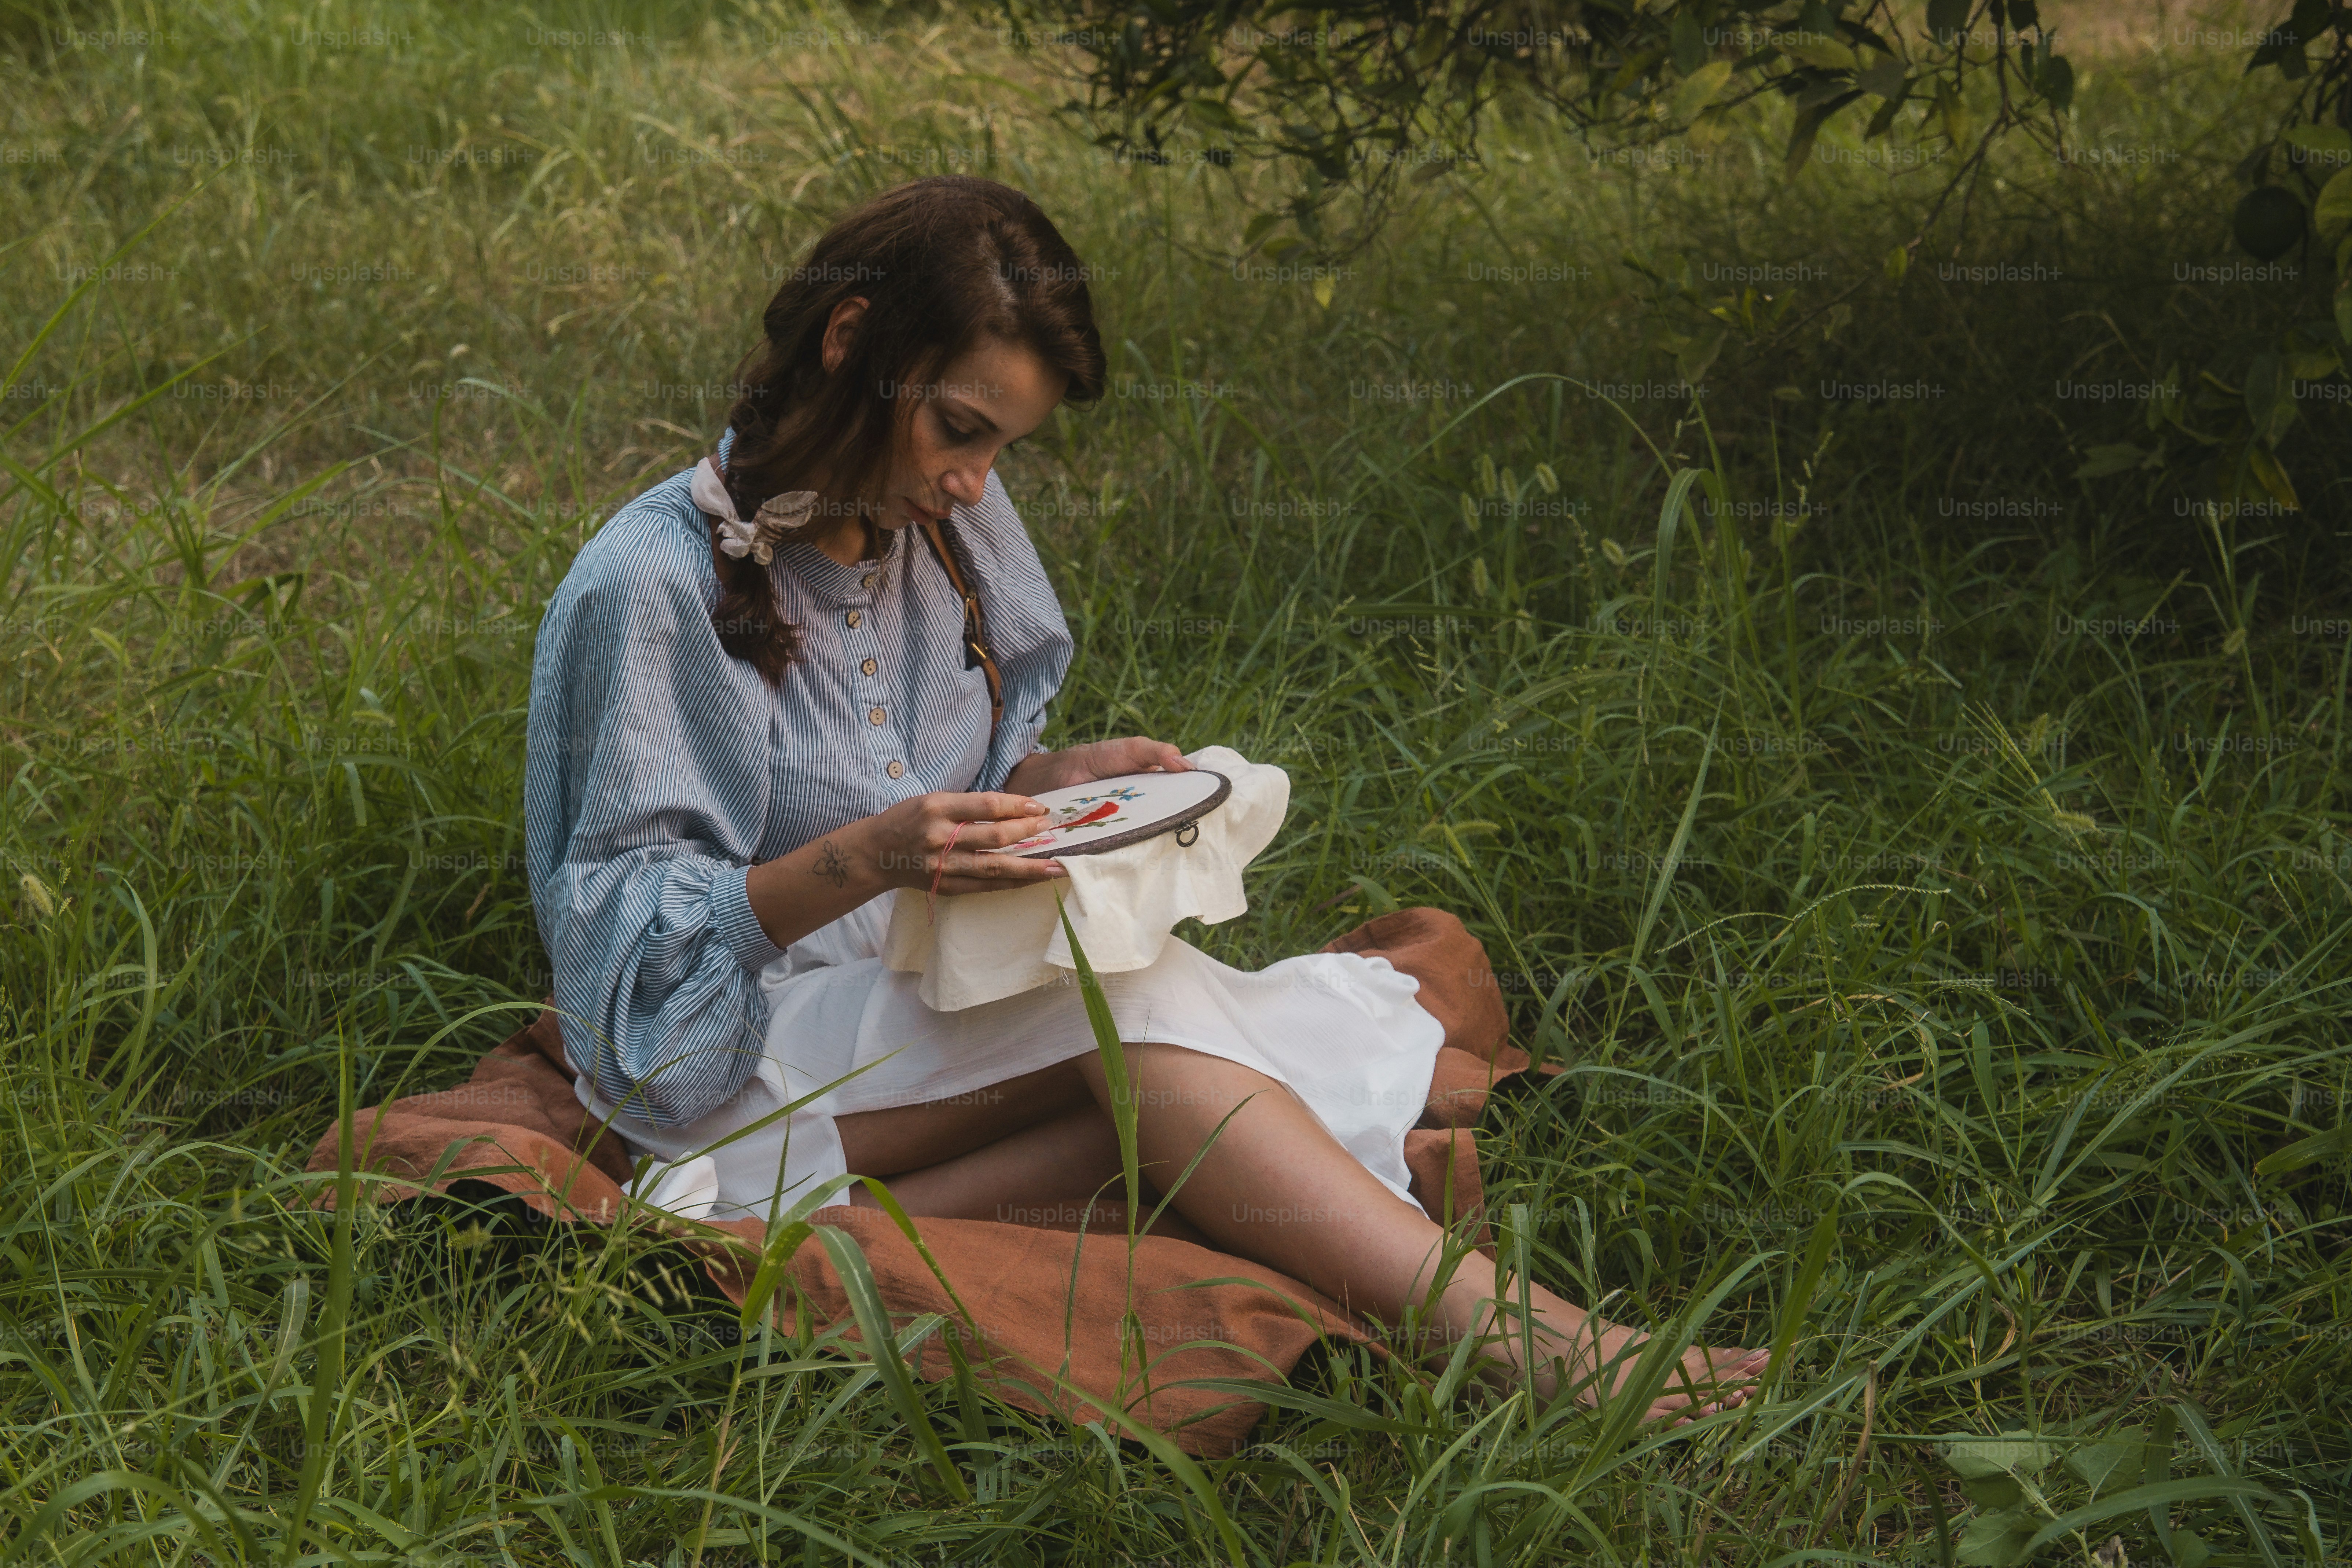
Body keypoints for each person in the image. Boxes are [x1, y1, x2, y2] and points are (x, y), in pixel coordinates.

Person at [524, 174, 1762, 1422]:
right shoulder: (651, 588)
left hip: (906, 1001)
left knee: (1155, 1085)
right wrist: (871, 861)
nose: (977, 479)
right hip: (723, 1055)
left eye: (1005, 444)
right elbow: (636, 989)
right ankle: (1542, 1352)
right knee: (1145, 1008)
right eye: (960, 429)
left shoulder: (939, 521)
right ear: (851, 345)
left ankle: (824, 1219)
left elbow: (931, 780)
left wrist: (1043, 785)